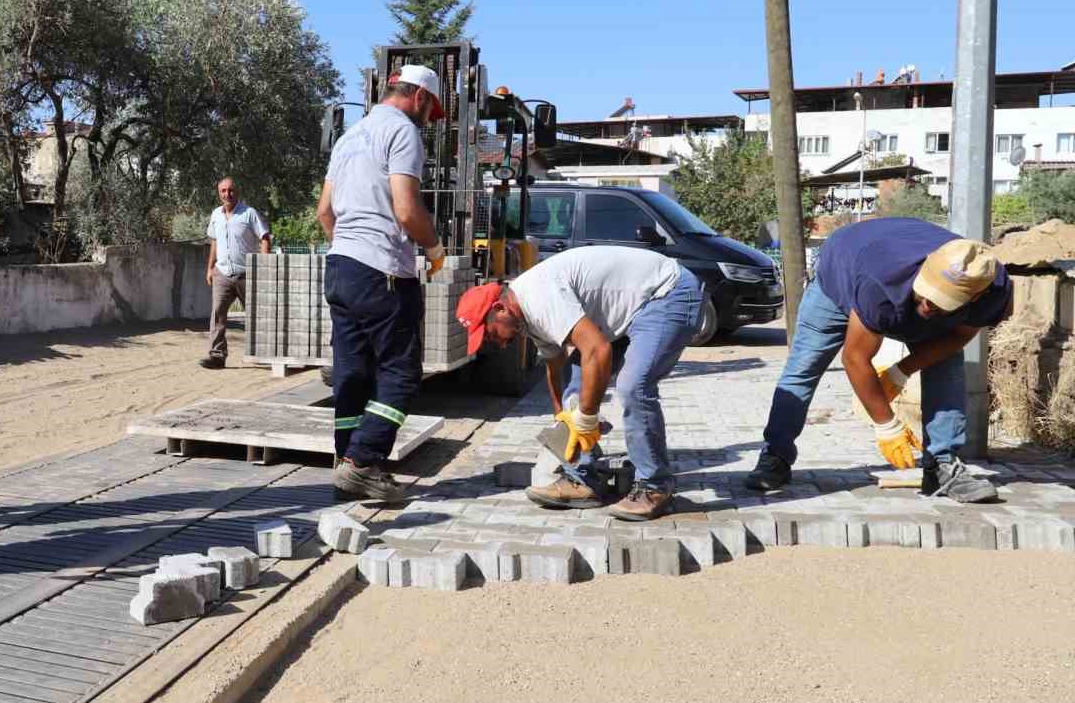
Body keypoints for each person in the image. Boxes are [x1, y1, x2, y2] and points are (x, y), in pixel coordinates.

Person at [745, 218, 1006, 502]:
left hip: (886, 263)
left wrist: (901, 371)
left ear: (976, 295)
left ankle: (941, 467)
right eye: (928, 292)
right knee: (803, 368)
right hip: (842, 272)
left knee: (946, 365)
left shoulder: (994, 291)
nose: (929, 304)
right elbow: (855, 357)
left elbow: (958, 337)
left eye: (943, 300)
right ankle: (775, 456)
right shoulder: (881, 280)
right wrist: (887, 425)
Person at [457, 245, 704, 521]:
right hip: (631, 308)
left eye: (491, 334)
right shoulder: (525, 318)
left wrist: (586, 416)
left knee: (633, 385)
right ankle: (584, 480)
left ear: (501, 309)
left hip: (668, 292)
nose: (499, 345)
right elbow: (555, 367)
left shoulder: (538, 300)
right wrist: (562, 418)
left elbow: (599, 350)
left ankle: (655, 487)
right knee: (574, 387)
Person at [317, 65, 447, 502]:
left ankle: (345, 460)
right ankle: (363, 463)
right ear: (421, 98)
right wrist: (434, 250)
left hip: (339, 267)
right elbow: (407, 211)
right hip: (383, 272)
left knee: (352, 371)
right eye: (432, 110)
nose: (429, 119)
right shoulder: (403, 132)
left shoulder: (349, 137)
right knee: (400, 372)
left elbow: (324, 213)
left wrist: (351, 249)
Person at [201, 177, 271, 369]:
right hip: (222, 273)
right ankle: (217, 356)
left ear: (237, 192)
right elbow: (214, 242)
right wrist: (210, 268)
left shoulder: (249, 213)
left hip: (247, 273)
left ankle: (265, 352)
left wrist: (263, 267)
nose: (227, 194)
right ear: (219, 193)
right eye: (223, 191)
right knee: (218, 314)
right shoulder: (216, 214)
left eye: (230, 190)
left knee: (258, 314)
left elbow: (265, 238)